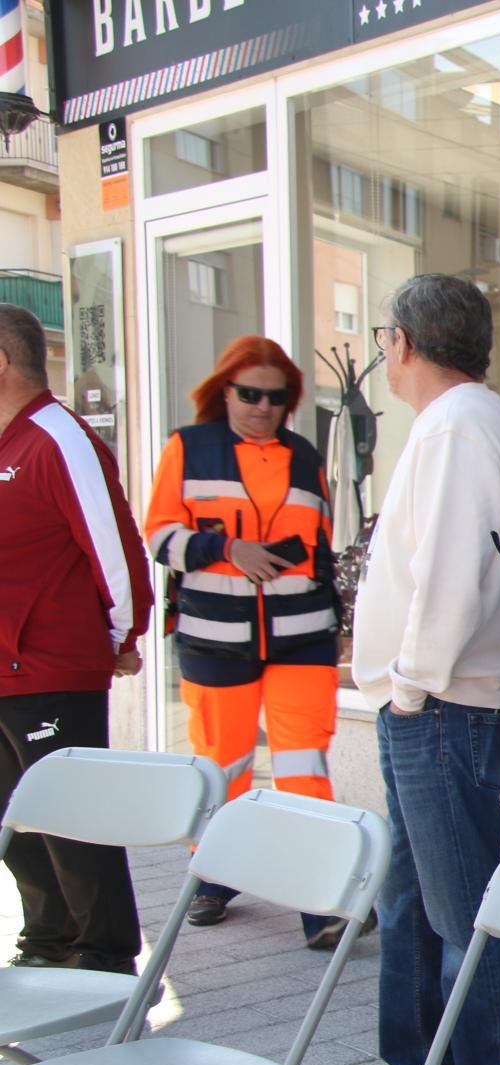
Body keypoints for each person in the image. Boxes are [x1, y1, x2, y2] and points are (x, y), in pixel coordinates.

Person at [333, 274, 500, 1065]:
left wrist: (411, 688)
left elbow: (452, 577)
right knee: (414, 897)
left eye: (385, 336)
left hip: (442, 704)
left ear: (402, 343)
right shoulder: (459, 419)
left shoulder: (457, 424)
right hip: (437, 701)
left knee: (460, 906)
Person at [144, 336, 355, 948]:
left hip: (301, 638)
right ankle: (214, 876)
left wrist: (334, 620)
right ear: (224, 390)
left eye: (276, 396)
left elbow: (318, 548)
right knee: (223, 766)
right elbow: (158, 535)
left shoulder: (304, 454)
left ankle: (320, 901)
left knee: (303, 769)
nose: (262, 406)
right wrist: (225, 549)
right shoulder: (188, 447)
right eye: (249, 394)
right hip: (215, 640)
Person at [0, 303, 151, 974]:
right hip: (6, 670)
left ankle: (105, 955)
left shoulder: (58, 437)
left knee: (73, 822)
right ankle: (49, 937)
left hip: (55, 668)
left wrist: (120, 633)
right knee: (18, 823)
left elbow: (114, 548)